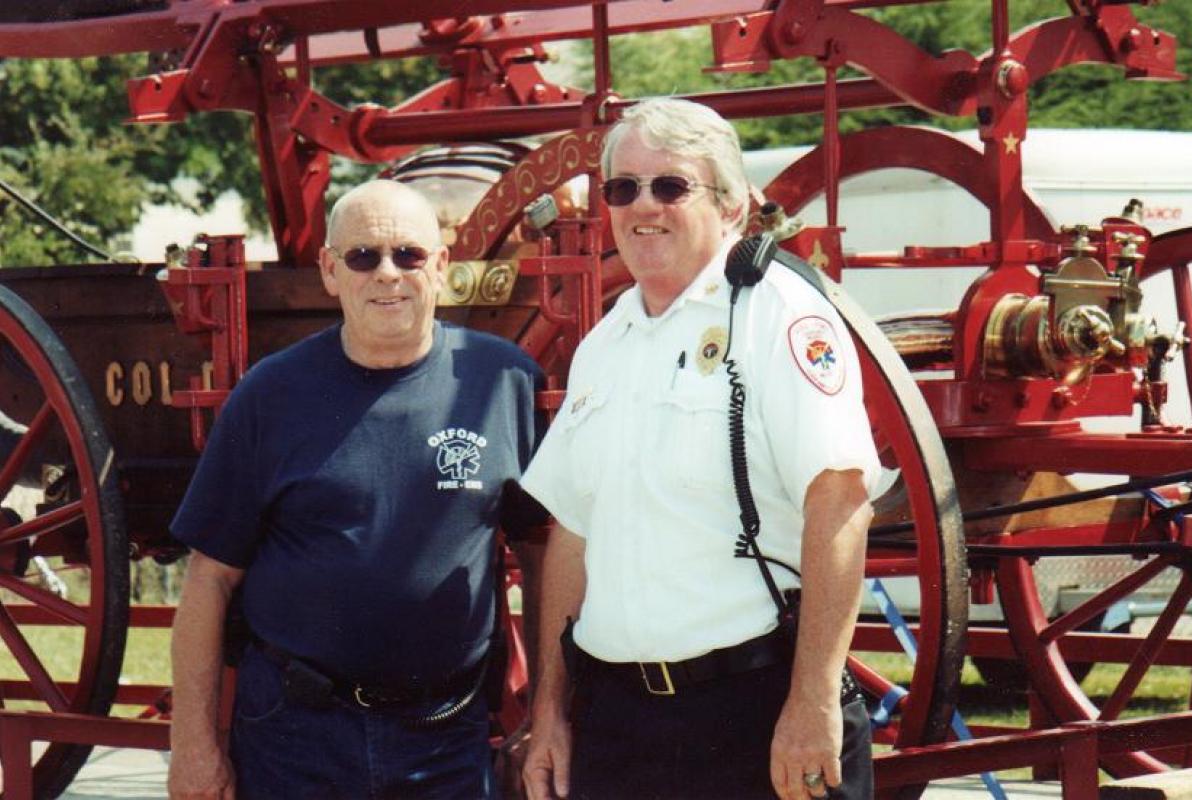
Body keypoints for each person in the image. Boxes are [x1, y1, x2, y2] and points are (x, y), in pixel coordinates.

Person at [520, 98, 880, 800]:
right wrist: (550, 713)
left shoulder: (779, 314)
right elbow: (571, 534)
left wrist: (810, 704)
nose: (642, 206)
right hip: (618, 730)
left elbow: (839, 505)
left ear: (733, 207)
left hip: (753, 713)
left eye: (670, 186)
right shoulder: (604, 346)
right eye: (622, 188)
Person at [167, 180, 546, 800]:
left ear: (443, 266)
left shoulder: (504, 383)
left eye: (410, 255)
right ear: (329, 271)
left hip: (445, 739)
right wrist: (193, 746)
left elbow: (543, 555)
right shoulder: (269, 395)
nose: (388, 274)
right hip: (294, 737)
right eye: (363, 256)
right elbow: (209, 580)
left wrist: (546, 713)